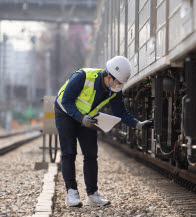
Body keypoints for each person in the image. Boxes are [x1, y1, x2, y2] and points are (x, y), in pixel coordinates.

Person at [54, 56, 151, 207]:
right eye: (118, 83)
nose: (119, 86)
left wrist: (137, 124)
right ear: (109, 76)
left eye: (121, 84)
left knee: (91, 154)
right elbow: (66, 100)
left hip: (87, 118)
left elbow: (120, 112)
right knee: (69, 153)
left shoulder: (114, 89)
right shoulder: (82, 77)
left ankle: (92, 196)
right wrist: (81, 118)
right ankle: (71, 193)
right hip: (65, 113)